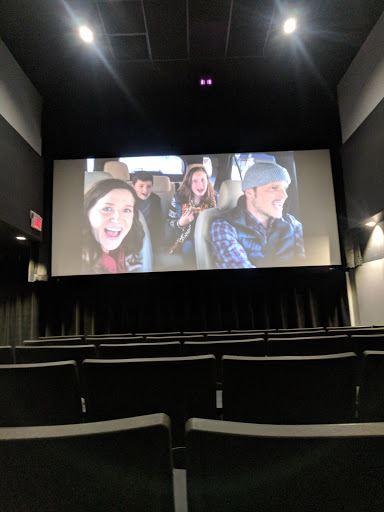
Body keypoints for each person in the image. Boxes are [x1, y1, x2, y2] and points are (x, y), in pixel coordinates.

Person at [210, 161, 305, 269]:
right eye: (274, 187)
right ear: (250, 193)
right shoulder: (224, 226)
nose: (285, 195)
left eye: (285, 188)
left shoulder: (291, 222)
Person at [83, 179, 145, 274]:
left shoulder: (126, 250)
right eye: (107, 209)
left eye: (127, 210)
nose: (117, 218)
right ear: (87, 213)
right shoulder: (77, 261)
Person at [167, 163, 217, 267]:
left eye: (203, 180)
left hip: (208, 237)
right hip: (186, 239)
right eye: (195, 181)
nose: (200, 185)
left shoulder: (215, 199)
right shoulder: (178, 199)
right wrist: (180, 223)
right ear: (189, 183)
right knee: (189, 246)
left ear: (207, 181)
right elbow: (168, 222)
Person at [131, 171, 162, 249]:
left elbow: (158, 223)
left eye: (149, 186)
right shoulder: (128, 199)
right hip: (132, 235)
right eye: (141, 186)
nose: (145, 190)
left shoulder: (155, 199)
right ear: (133, 186)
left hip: (149, 235)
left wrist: (158, 244)